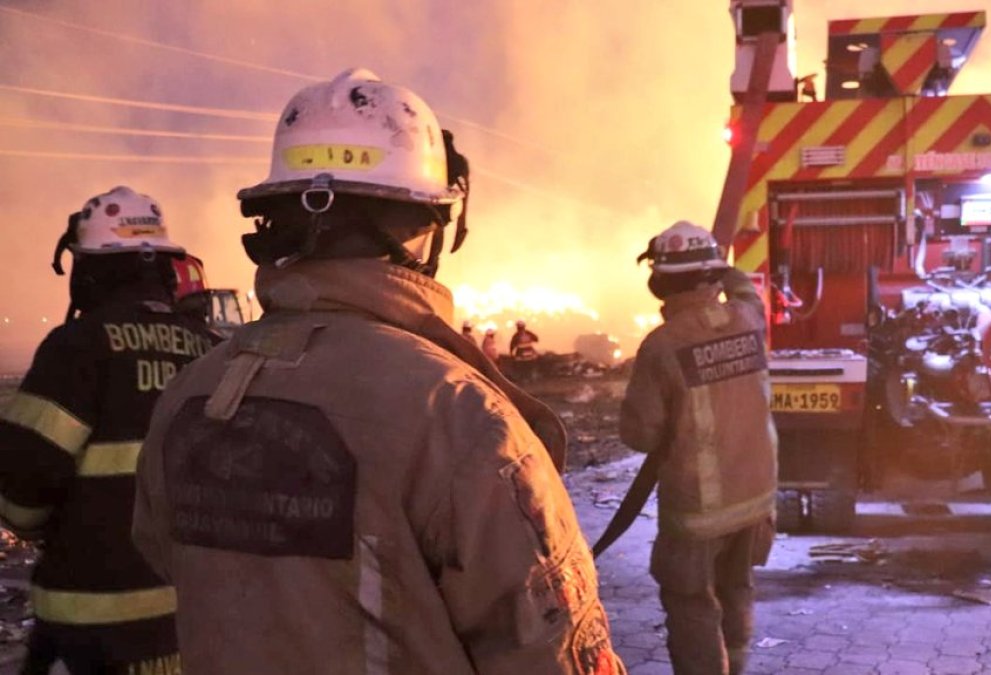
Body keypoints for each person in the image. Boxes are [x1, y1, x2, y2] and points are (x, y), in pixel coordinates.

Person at [132, 68, 623, 675]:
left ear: (275, 221)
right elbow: (551, 654)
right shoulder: (459, 415)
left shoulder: (193, 392)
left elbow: (165, 555)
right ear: (428, 229)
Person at [0, 186, 211, 674]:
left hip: (89, 627)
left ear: (89, 270)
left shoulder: (77, 348)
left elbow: (23, 483)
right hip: (198, 625)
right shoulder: (213, 350)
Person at [619, 220, 777, 675]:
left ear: (658, 284)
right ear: (714, 275)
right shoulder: (748, 320)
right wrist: (720, 265)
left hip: (699, 510)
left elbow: (641, 435)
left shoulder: (662, 344)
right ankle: (739, 665)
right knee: (737, 586)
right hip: (755, 499)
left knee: (690, 601)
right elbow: (745, 290)